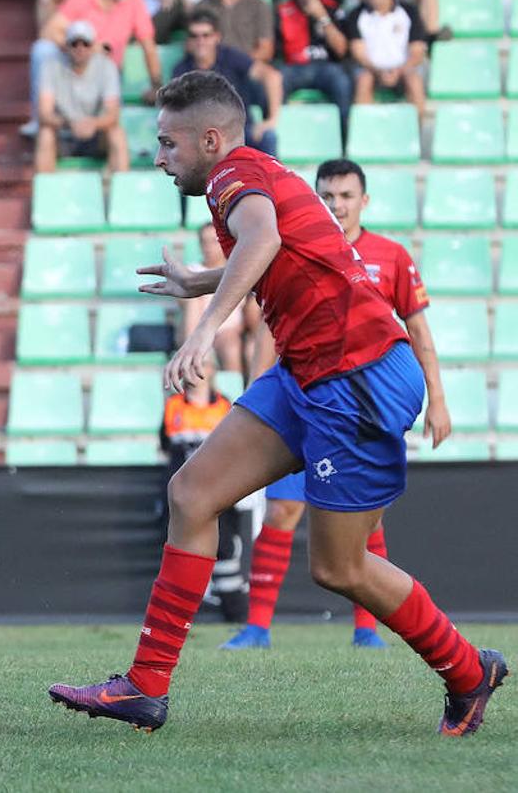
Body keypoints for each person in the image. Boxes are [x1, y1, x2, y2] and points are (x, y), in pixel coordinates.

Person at [48, 70, 506, 738]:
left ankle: (468, 672)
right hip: (309, 371)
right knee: (192, 493)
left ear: (208, 139)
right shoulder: (248, 171)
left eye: (167, 143)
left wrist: (204, 330)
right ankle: (142, 687)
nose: (157, 157)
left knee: (337, 567)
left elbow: (262, 241)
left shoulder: (231, 177)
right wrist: (200, 278)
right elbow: (285, 246)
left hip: (355, 379)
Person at [222, 157, 452, 651]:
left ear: (363, 201)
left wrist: (438, 399)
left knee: (364, 522)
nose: (336, 205)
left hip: (357, 402)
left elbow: (416, 331)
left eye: (346, 196)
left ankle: (367, 630)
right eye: (327, 195)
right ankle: (257, 627)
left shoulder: (391, 256)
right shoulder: (300, 246)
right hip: (299, 394)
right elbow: (270, 324)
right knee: (283, 509)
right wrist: (258, 395)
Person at [26, 0, 160, 131]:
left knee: (114, 127)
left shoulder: (133, 0)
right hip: (74, 70)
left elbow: (148, 46)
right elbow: (48, 32)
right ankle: (41, 120)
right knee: (42, 49)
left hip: (107, 74)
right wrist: (82, 48)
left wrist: (156, 85)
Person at [159, 360, 248, 624]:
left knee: (224, 550)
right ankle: (175, 618)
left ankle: (236, 616)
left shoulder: (225, 405)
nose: (198, 370)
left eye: (204, 364)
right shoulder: (173, 406)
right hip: (185, 491)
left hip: (219, 489)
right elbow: (166, 445)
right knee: (180, 550)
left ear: (213, 371)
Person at [172, 10, 282, 157]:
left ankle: (275, 180)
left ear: (217, 37)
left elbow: (272, 76)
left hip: (242, 133)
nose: (200, 41)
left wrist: (271, 120)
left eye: (206, 35)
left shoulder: (231, 57)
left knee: (268, 136)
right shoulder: (182, 71)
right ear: (188, 40)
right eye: (194, 36)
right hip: (207, 141)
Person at [34, 20, 126, 173]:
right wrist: (70, 124)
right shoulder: (50, 66)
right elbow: (44, 114)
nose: (80, 48)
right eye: (74, 44)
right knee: (45, 135)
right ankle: (47, 193)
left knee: (116, 133)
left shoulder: (106, 66)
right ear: (66, 46)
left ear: (93, 46)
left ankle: (121, 192)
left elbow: (113, 114)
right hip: (64, 133)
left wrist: (93, 124)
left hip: (95, 134)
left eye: (85, 44)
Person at [276, 0, 352, 141]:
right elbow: (275, 52)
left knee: (341, 80)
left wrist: (323, 17)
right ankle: (282, 139)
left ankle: (344, 140)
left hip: (327, 68)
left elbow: (341, 50)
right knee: (277, 79)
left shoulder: (333, 9)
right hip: (293, 68)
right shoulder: (282, 11)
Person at [344, 0, 427, 118]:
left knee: (414, 80)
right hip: (372, 70)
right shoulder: (355, 15)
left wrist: (399, 71)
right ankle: (364, 134)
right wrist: (379, 71)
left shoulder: (409, 11)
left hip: (404, 69)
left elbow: (417, 52)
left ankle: (417, 136)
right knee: (364, 79)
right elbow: (358, 53)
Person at [182, 223, 262, 375]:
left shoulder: (240, 269)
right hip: (203, 327)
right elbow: (183, 301)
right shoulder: (193, 271)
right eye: (203, 242)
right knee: (191, 301)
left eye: (213, 241)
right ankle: (193, 350)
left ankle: (239, 389)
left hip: (233, 330)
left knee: (235, 345)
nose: (208, 247)